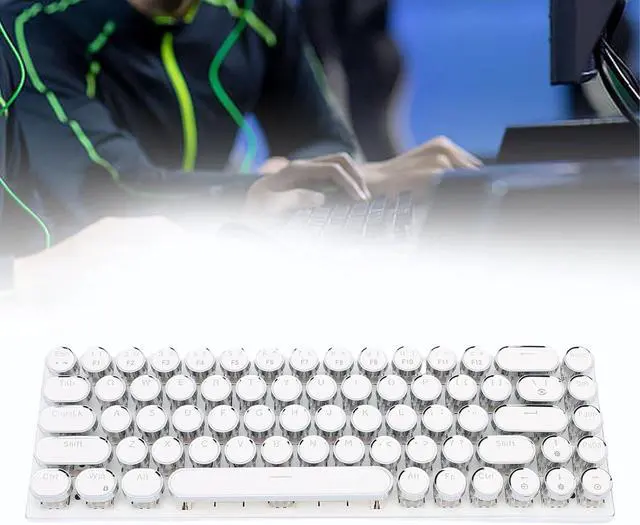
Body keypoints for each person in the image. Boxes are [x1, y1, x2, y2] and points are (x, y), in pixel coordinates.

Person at [0, 0, 480, 253]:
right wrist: (259, 187)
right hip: (77, 283)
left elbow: (323, 138)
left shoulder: (254, 10)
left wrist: (299, 171)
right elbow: (112, 189)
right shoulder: (33, 25)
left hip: (213, 253)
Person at [299, 0, 402, 162]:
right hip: (380, 53)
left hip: (358, 63)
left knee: (355, 140)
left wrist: (329, 68)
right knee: (376, 139)